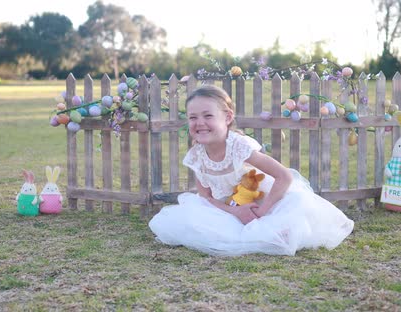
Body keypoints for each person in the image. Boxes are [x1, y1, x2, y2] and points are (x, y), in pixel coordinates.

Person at [149, 85, 354, 256]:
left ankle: (271, 229)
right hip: (230, 208)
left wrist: (262, 212)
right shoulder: (196, 156)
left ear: (227, 117)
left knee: (297, 206)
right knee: (195, 220)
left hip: (265, 203)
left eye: (208, 115)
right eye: (193, 117)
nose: (199, 123)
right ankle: (250, 229)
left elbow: (284, 176)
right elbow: (206, 198)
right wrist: (235, 211)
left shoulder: (239, 147)